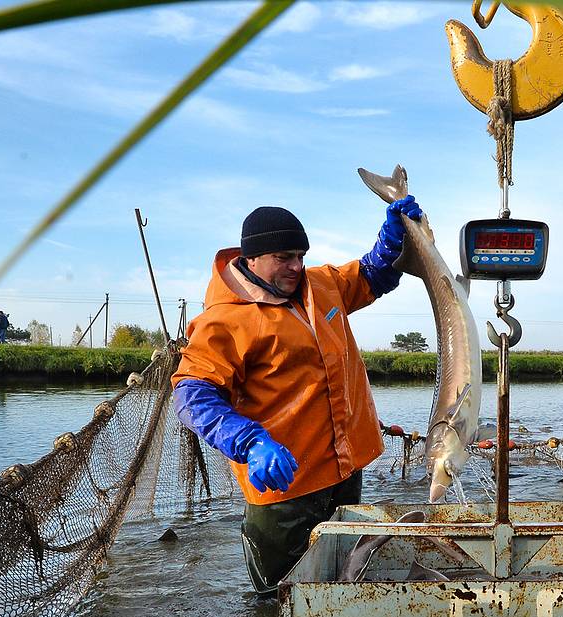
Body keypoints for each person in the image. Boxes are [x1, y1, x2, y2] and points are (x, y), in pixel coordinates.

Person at [172, 196, 423, 593]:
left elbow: (373, 275)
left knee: (345, 582)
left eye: (301, 255)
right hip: (282, 489)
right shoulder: (225, 320)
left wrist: (394, 238)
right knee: (280, 600)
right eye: (284, 257)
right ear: (252, 259)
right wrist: (251, 442)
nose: (296, 267)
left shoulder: (321, 285)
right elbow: (192, 395)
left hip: (344, 471)